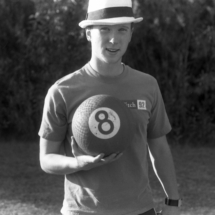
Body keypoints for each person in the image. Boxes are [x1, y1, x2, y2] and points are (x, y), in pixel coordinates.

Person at [39, 0, 182, 214]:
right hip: (82, 211)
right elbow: (47, 159)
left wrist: (173, 201)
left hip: (140, 209)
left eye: (122, 29)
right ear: (88, 32)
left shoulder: (147, 85)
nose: (114, 39)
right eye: (104, 29)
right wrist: (78, 164)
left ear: (131, 33)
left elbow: (159, 149)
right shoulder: (62, 90)